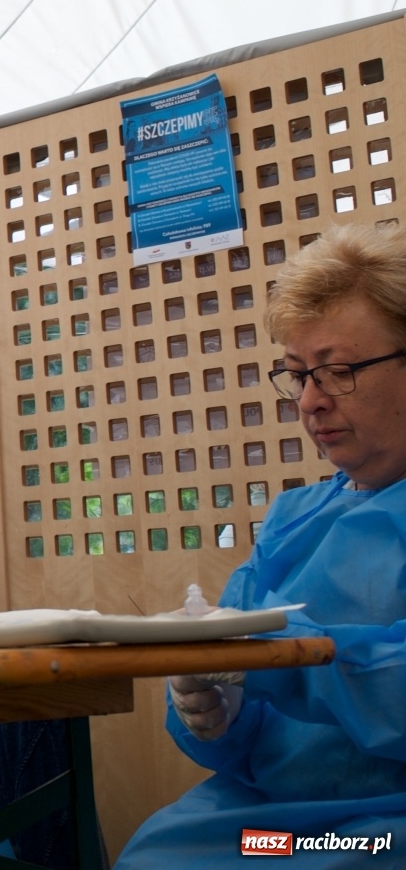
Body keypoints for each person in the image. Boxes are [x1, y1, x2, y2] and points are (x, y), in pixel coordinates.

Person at [118, 222, 406, 868]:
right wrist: (218, 711)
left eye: (337, 372)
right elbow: (233, 656)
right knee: (156, 856)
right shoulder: (295, 518)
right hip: (267, 823)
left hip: (379, 826)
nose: (309, 402)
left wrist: (274, 662)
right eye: (298, 374)